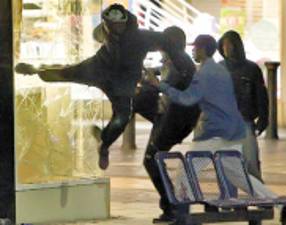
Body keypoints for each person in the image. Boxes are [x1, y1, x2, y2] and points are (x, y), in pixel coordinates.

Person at [14, 4, 188, 170]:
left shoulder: (141, 37)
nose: (115, 29)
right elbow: (79, 55)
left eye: (119, 25)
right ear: (106, 24)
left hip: (123, 83)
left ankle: (104, 143)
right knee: (66, 73)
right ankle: (35, 71)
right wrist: (37, 70)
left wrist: (184, 65)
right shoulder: (103, 31)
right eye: (111, 25)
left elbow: (168, 42)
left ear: (125, 23)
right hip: (99, 68)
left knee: (122, 117)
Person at [146, 34, 286, 225]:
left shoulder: (207, 72)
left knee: (184, 175)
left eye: (196, 48)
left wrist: (160, 85)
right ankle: (280, 204)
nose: (193, 51)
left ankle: (181, 218)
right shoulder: (219, 70)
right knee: (241, 177)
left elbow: (187, 99)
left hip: (214, 134)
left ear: (204, 50)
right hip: (232, 132)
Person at [135, 26, 200, 222]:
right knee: (152, 160)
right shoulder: (178, 61)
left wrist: (150, 82)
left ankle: (172, 206)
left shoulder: (179, 62)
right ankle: (171, 205)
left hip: (174, 120)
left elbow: (166, 87)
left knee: (151, 160)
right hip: (171, 118)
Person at [218, 30, 268, 180]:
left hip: (245, 120)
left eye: (230, 45)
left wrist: (263, 118)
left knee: (251, 161)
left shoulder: (251, 69)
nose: (227, 49)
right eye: (224, 45)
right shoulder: (219, 68)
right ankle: (233, 198)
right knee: (228, 164)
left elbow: (261, 96)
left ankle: (259, 195)